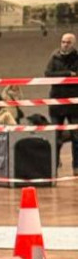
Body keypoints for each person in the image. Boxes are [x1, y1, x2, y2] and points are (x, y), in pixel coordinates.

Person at [45, 31, 78, 174]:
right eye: (63, 42)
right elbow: (48, 74)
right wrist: (67, 74)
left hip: (74, 104)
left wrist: (70, 76)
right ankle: (54, 164)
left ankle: (76, 166)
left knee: (76, 136)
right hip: (56, 103)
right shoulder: (54, 56)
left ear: (73, 44)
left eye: (68, 42)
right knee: (55, 136)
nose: (65, 44)